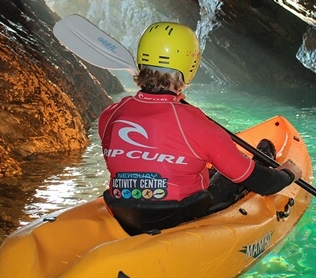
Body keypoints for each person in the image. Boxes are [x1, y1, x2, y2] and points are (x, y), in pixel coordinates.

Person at [98, 21, 302, 235]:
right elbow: (263, 184)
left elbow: (144, 155)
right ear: (191, 66)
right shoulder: (199, 125)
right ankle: (265, 153)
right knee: (259, 155)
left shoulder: (109, 115)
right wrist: (289, 174)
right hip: (183, 216)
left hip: (127, 213)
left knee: (201, 167)